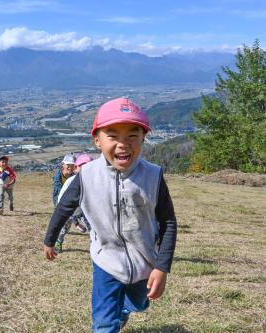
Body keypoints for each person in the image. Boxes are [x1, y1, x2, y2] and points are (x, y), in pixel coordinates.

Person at [43, 97, 177, 332]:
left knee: (140, 303)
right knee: (104, 322)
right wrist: (50, 238)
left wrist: (162, 266)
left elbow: (168, 221)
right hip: (105, 259)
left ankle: (124, 307)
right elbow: (63, 208)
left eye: (132, 136)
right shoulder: (85, 177)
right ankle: (111, 319)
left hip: (143, 259)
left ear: (143, 138)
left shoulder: (153, 176)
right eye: (113, 136)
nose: (123, 144)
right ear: (97, 140)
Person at [54, 153, 94, 253]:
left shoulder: (90, 181)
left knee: (92, 228)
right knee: (64, 229)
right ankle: (59, 242)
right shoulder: (70, 181)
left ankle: (96, 245)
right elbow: (60, 196)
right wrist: (63, 210)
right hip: (69, 211)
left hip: (82, 210)